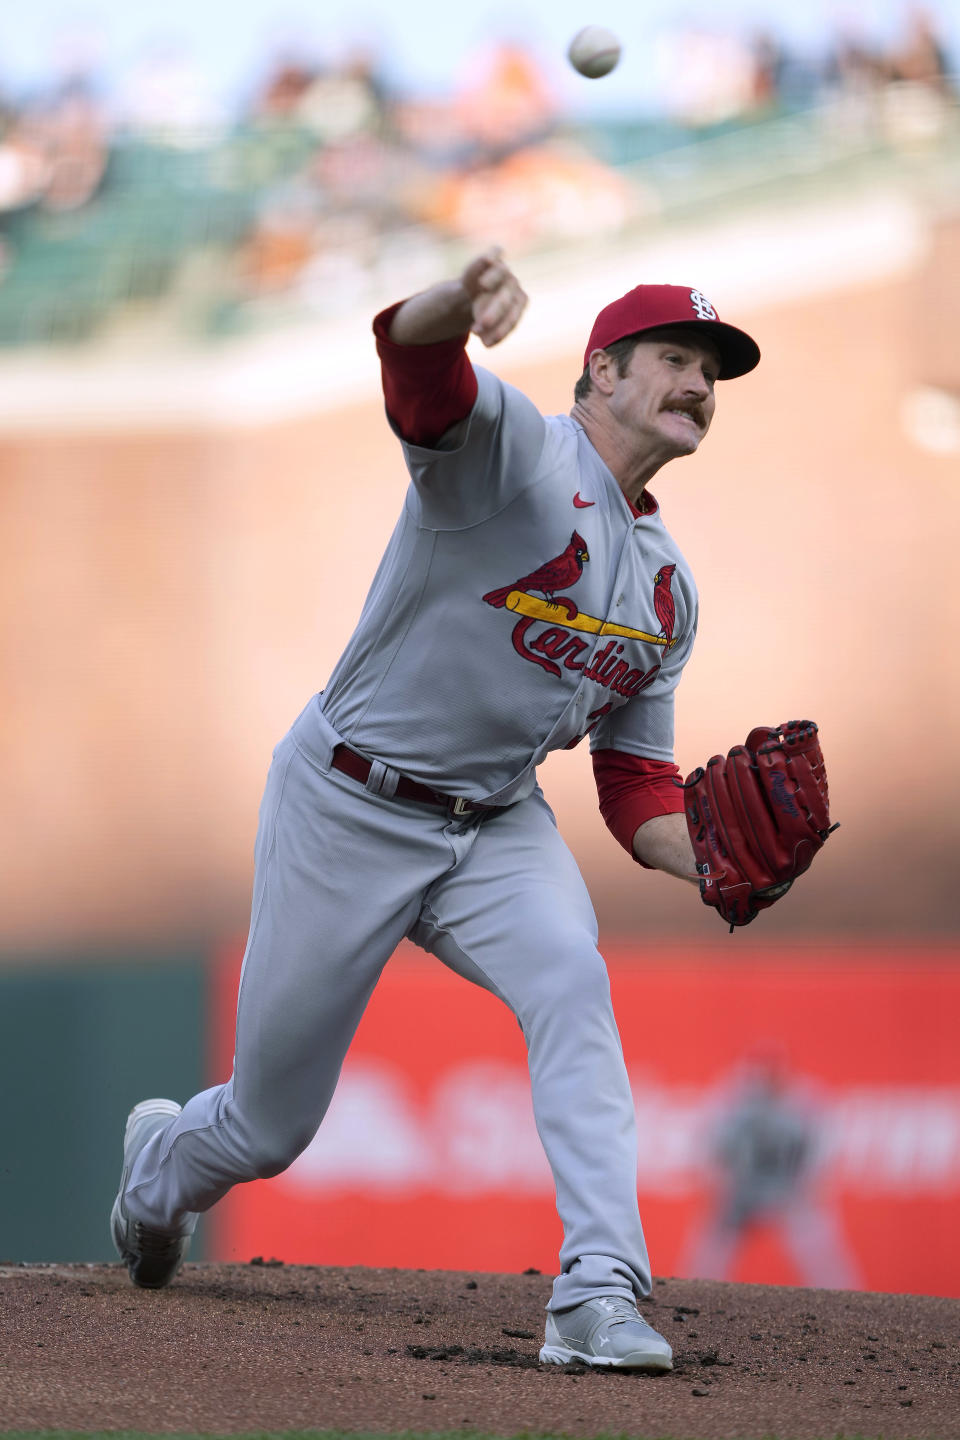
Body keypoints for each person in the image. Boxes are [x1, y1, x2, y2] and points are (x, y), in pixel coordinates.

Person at [111, 248, 761, 1371]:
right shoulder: (514, 456)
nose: (698, 384)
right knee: (271, 1127)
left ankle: (598, 1293)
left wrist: (704, 858)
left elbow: (634, 782)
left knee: (571, 979)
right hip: (348, 800)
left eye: (711, 370)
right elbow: (416, 364)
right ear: (600, 373)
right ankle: (162, 1168)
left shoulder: (669, 586)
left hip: (496, 824)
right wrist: (459, 300)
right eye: (673, 358)